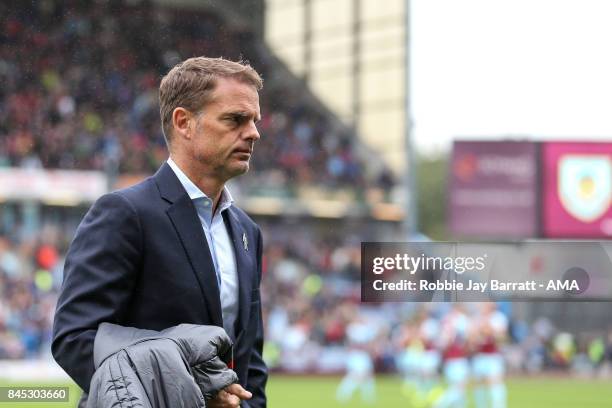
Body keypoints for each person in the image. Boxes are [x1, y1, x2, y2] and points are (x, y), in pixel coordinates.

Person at [52, 56, 267, 408]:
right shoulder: (124, 213)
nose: (254, 132)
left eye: (255, 121)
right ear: (184, 122)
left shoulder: (246, 230)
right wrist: (186, 392)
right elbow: (76, 339)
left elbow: (249, 359)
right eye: (235, 119)